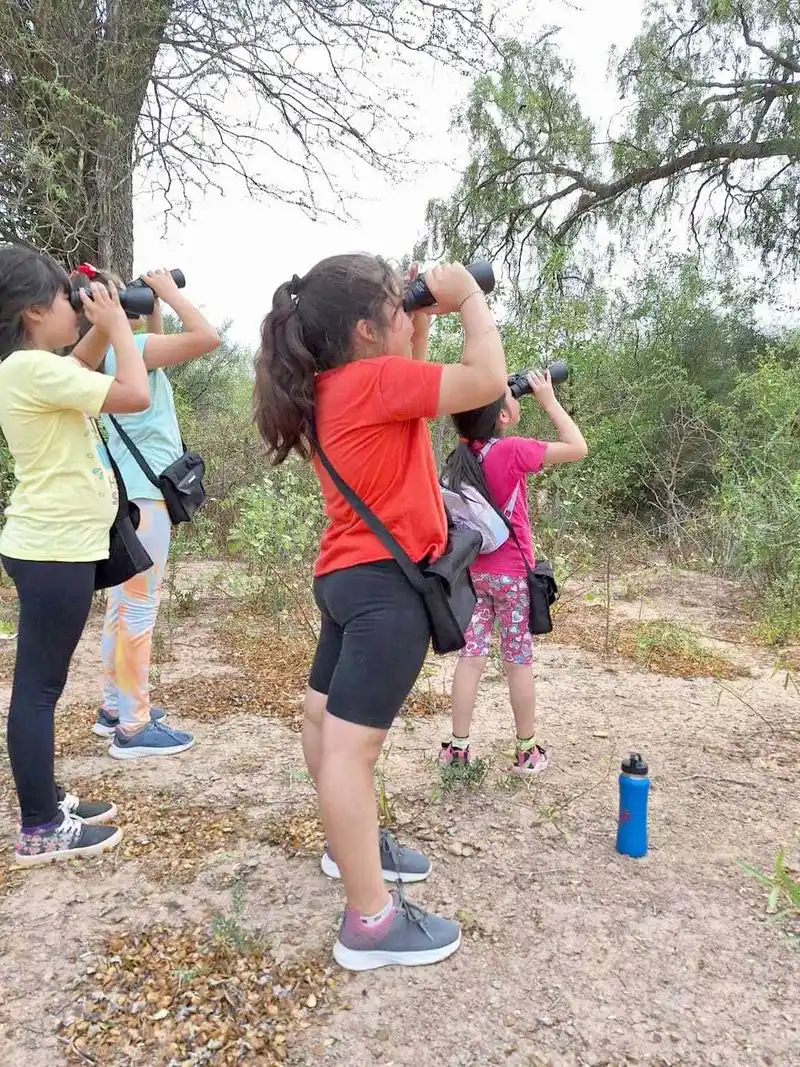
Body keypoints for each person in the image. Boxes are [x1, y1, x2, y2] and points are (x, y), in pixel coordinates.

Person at [253, 255, 506, 971]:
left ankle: (351, 850)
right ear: (366, 329)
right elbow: (483, 384)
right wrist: (465, 301)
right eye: (399, 305)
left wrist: (418, 326)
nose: (409, 309)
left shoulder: (333, 387)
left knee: (321, 722)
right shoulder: (375, 380)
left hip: (344, 580)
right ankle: (370, 920)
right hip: (384, 595)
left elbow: (411, 411)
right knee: (351, 751)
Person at [0, 244, 151, 865]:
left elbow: (83, 367)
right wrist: (116, 326)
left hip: (57, 544)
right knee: (37, 688)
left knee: (43, 684)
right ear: (34, 312)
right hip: (52, 547)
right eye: (67, 298)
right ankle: (39, 825)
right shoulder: (30, 370)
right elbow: (133, 394)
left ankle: (48, 798)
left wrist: (99, 327)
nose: (76, 307)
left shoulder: (31, 367)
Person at [69, 265, 219, 759]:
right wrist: (172, 294)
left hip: (127, 494)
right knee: (138, 609)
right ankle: (133, 726)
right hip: (146, 499)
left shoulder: (117, 355)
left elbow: (160, 363)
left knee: (122, 605)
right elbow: (206, 337)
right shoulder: (131, 352)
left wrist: (152, 311)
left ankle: (114, 707)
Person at [439, 370, 588, 774]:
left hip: (475, 575)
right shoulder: (512, 451)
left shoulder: (461, 456)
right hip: (512, 576)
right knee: (517, 660)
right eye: (510, 396)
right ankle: (526, 751)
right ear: (502, 417)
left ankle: (457, 751)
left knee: (471, 659)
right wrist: (549, 400)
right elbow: (578, 447)